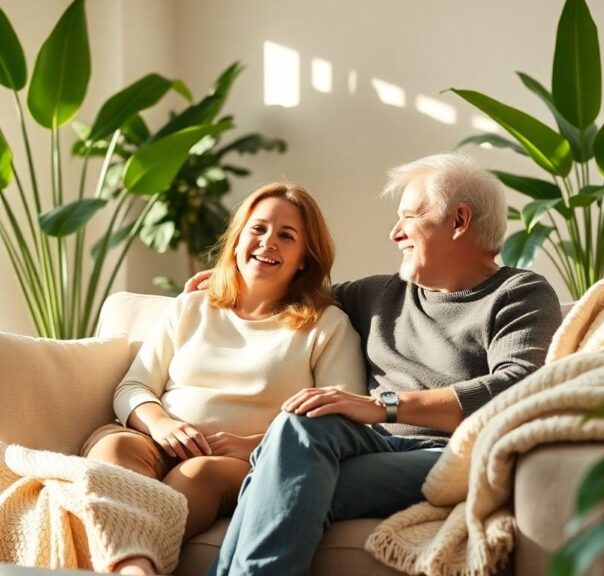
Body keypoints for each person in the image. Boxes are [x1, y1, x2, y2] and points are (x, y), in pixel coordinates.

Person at [197, 152, 563, 575]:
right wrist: (236, 280)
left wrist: (386, 406)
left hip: (451, 455)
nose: (395, 233)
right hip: (371, 447)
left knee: (278, 481)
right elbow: (294, 290)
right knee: (299, 421)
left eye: (408, 217)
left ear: (459, 221)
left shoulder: (520, 293)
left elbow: (520, 387)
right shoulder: (375, 296)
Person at [83, 183, 366, 575]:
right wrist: (162, 424)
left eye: (287, 236)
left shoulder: (327, 326)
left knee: (197, 474)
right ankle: (129, 564)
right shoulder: (191, 307)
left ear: (304, 258)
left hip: (243, 461)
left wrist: (256, 445)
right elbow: (134, 387)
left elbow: (344, 419)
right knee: (113, 453)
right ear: (237, 240)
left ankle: (134, 567)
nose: (268, 242)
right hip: (156, 440)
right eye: (258, 228)